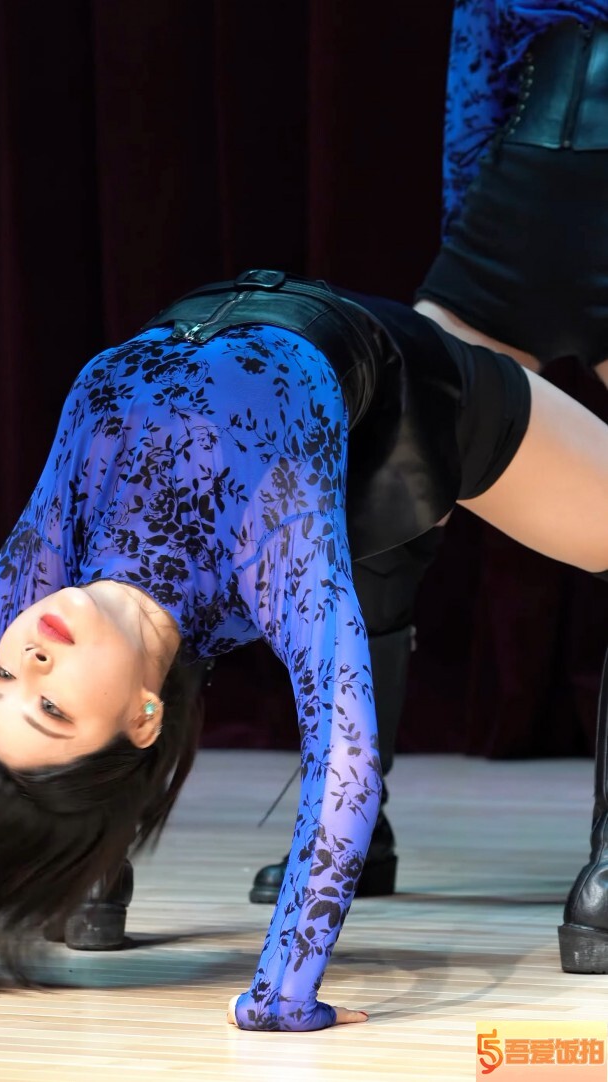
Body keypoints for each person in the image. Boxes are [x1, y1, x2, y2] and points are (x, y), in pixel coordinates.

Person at [0, 270, 608, 1031]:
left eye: (1, 675)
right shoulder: (266, 544)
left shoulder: (53, 547)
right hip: (412, 405)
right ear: (143, 718)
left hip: (316, 363)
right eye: (50, 708)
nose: (30, 661)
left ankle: (94, 861)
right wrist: (282, 993)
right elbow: (345, 760)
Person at [252, 0, 608, 914]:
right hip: (516, 213)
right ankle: (349, 818)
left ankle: (351, 824)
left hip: (518, 199)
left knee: (392, 459)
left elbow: (477, 77)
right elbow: (479, 66)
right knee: (387, 460)